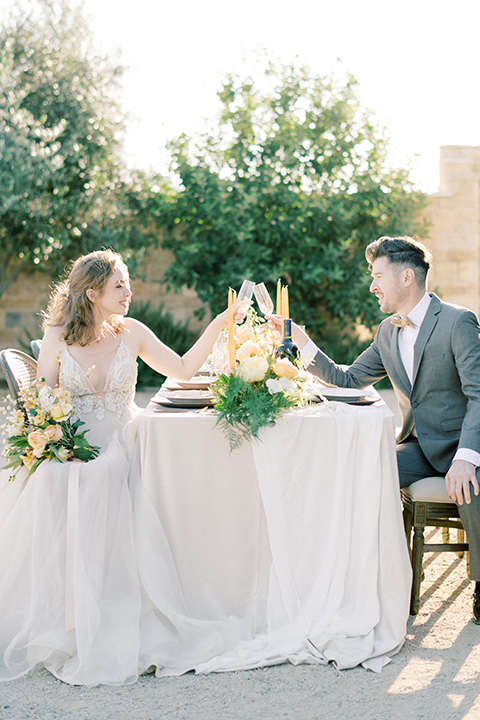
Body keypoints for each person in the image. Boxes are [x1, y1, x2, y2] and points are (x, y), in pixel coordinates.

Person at [0, 249, 246, 685]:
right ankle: (72, 615)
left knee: (107, 473)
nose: (129, 292)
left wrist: (216, 327)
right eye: (120, 286)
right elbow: (43, 404)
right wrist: (59, 443)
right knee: (64, 476)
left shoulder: (131, 331)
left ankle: (114, 607)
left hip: (124, 440)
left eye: (128, 283)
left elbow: (184, 370)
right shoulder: (57, 336)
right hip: (72, 444)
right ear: (92, 293)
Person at [276, 235, 480, 624]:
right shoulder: (388, 331)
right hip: (421, 447)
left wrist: (467, 458)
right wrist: (301, 343)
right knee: (365, 469)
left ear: (406, 277)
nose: (372, 285)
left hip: (467, 445)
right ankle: (375, 576)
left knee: (471, 484)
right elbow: (348, 378)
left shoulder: (458, 321)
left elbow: (478, 394)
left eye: (378, 275)